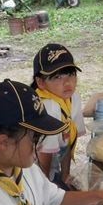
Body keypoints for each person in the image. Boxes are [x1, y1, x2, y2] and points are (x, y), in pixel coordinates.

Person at [31, 43, 86, 188]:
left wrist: (65, 175)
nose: (67, 82)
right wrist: (46, 188)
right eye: (57, 77)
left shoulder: (73, 98)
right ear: (41, 82)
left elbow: (68, 139)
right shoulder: (46, 107)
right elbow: (44, 154)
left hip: (52, 167)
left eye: (71, 74)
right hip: (35, 174)